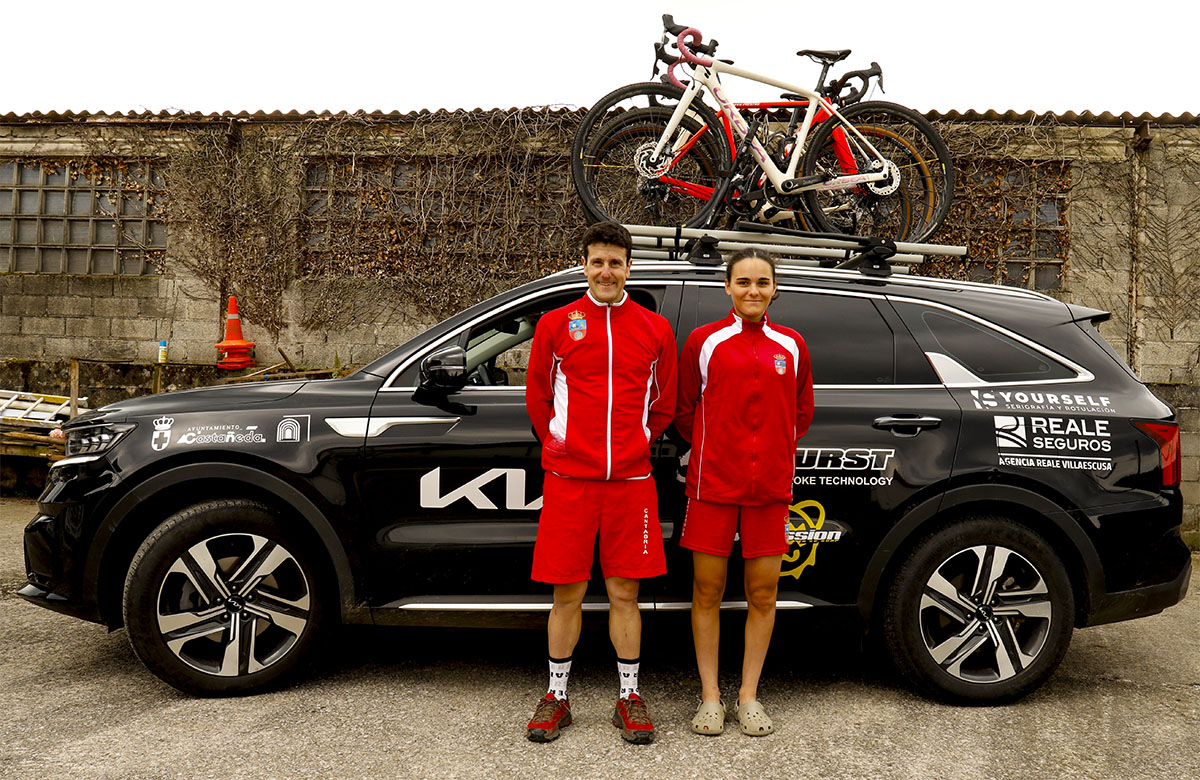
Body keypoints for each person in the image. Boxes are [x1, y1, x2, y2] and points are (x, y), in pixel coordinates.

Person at [524, 221, 678, 745]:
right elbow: (539, 397)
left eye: (615, 262)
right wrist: (559, 444)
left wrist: (634, 444)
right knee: (566, 593)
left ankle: (629, 697)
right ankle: (557, 698)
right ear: (584, 266)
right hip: (570, 481)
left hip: (631, 481)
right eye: (597, 262)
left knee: (623, 593)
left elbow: (665, 405)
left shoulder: (654, 329)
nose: (606, 271)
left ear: (629, 267)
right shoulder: (556, 324)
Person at [674, 247, 814, 737]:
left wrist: (770, 454)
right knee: (707, 592)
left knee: (763, 593)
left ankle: (749, 695)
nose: (753, 290)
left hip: (770, 490)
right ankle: (710, 697)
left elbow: (801, 413)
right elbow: (684, 408)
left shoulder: (791, 344)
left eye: (762, 282)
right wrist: (718, 452)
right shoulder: (703, 341)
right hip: (712, 487)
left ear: (774, 288)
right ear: (728, 288)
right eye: (743, 282)